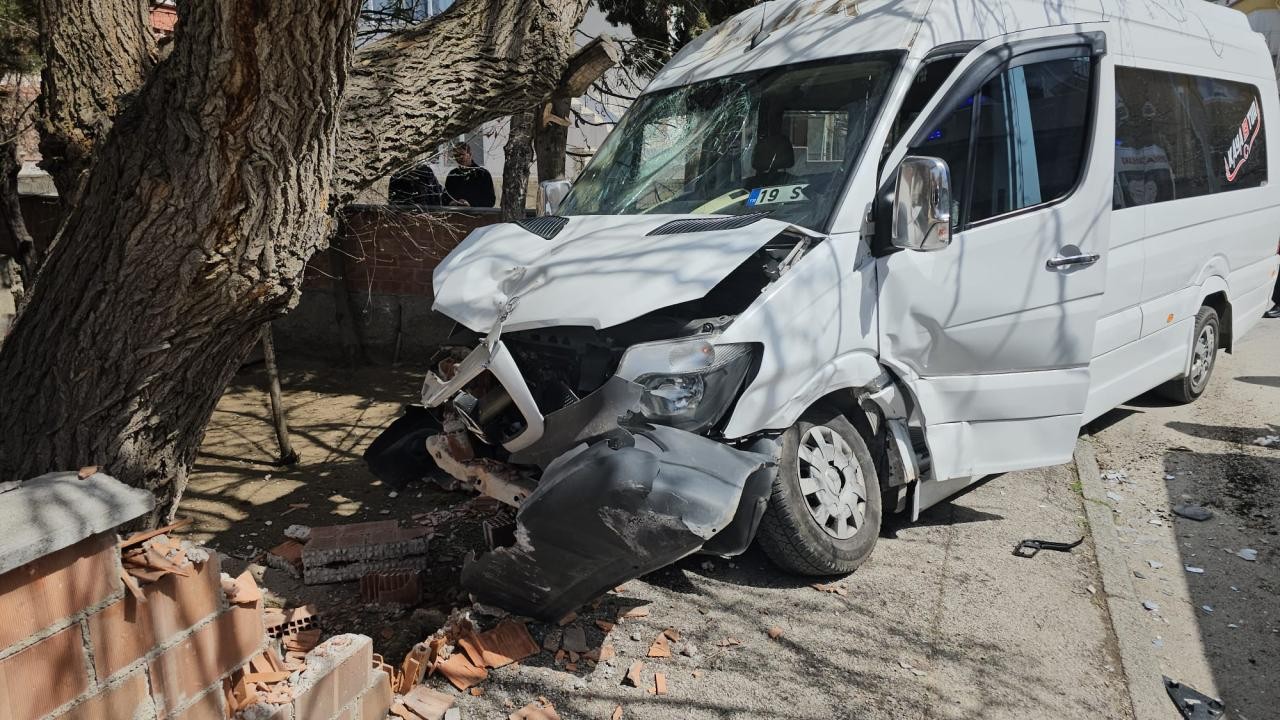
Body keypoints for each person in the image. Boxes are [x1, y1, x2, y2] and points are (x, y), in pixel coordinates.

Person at [444, 143, 496, 208]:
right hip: (455, 212)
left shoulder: (483, 174)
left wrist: (471, 204)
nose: (460, 158)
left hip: (477, 213)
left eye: (462, 154)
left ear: (470, 155)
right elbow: (445, 197)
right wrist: (451, 202)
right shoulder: (452, 175)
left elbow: (490, 201)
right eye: (456, 155)